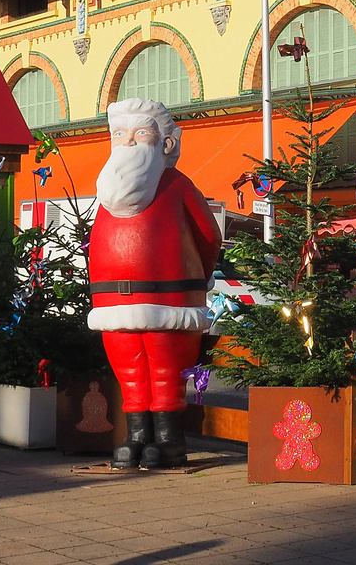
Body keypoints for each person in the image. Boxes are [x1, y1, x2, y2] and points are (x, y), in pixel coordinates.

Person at [88, 97, 221, 470]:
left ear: (165, 143)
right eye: (120, 135)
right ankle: (135, 437)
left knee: (165, 369)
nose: (128, 143)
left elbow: (208, 235)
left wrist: (199, 276)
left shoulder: (177, 186)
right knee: (128, 369)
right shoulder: (108, 192)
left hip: (171, 299)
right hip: (114, 304)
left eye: (140, 133)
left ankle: (168, 440)